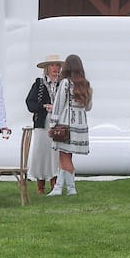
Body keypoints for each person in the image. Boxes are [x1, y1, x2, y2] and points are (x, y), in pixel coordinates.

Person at [48, 52, 91, 197]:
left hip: (66, 124)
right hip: (80, 125)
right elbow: (88, 107)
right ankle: (60, 188)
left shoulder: (66, 82)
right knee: (65, 156)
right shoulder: (85, 83)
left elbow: (58, 104)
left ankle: (71, 188)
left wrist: (53, 123)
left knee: (64, 157)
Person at [26, 54, 62, 193]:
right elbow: (30, 103)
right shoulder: (39, 84)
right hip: (42, 123)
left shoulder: (63, 84)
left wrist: (56, 108)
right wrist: (43, 107)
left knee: (55, 152)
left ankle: (55, 182)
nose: (55, 68)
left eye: (57, 65)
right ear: (47, 68)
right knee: (41, 152)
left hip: (58, 123)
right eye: (52, 65)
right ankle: (40, 185)